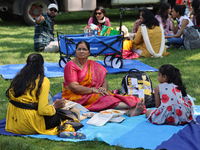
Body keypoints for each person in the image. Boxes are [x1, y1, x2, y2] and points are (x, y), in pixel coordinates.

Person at [61, 41, 146, 117]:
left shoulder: (92, 65)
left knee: (108, 95)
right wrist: (93, 90)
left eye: (84, 49)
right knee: (103, 98)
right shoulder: (71, 65)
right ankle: (131, 105)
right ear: (75, 52)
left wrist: (103, 89)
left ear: (89, 52)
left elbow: (104, 81)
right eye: (79, 49)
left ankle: (128, 111)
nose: (81, 51)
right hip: (75, 96)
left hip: (92, 93)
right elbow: (74, 87)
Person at [5, 53, 83, 135]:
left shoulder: (18, 78)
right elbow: (42, 110)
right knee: (67, 115)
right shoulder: (43, 81)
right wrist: (55, 106)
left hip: (14, 123)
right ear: (42, 65)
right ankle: (65, 129)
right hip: (30, 124)